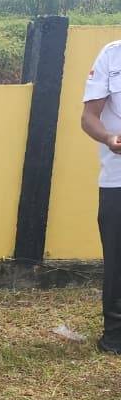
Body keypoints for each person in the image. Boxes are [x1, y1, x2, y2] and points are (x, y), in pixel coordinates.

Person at [82, 41, 121, 355]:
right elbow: (89, 117)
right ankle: (116, 334)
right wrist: (109, 137)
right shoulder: (112, 55)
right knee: (118, 260)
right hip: (117, 179)